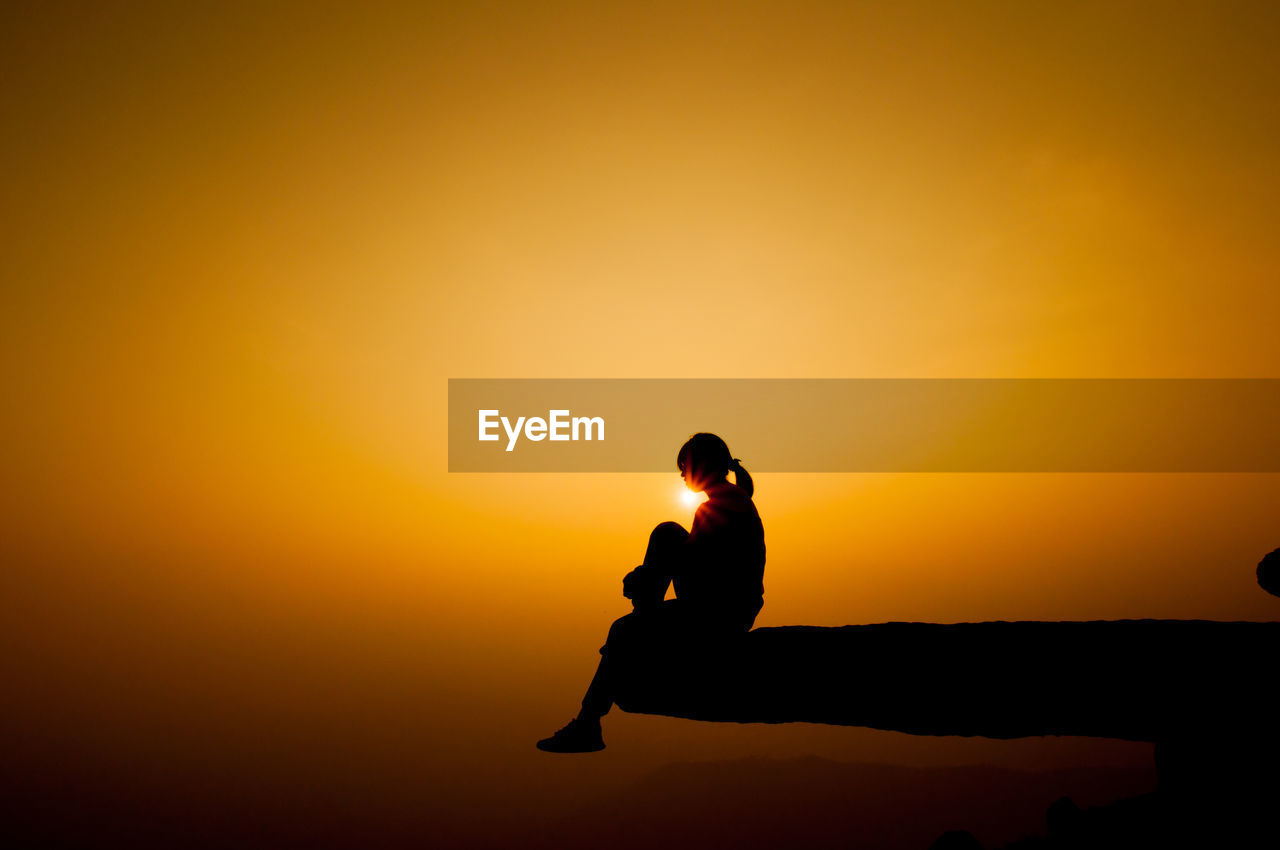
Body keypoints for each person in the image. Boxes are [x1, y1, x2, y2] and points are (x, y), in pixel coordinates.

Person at [537, 433, 765, 753]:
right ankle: (644, 614)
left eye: (684, 466)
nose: (682, 474)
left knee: (623, 628)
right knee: (668, 534)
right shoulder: (733, 500)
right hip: (730, 607)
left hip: (720, 615)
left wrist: (641, 579)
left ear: (700, 465)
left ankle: (588, 723)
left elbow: (694, 564)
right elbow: (698, 562)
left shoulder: (719, 508)